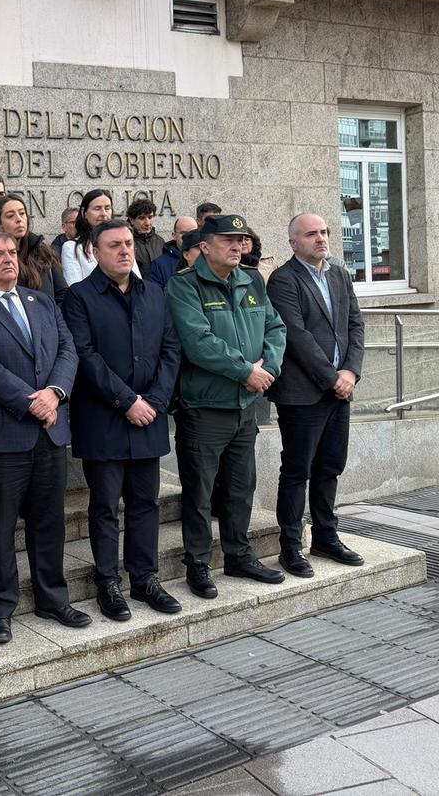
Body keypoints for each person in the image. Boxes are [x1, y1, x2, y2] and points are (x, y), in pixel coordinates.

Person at [0, 230, 88, 645]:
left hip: (49, 432)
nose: (9, 258)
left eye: (12, 251)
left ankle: (52, 598)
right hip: (4, 436)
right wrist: (32, 402)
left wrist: (56, 394)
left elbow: (68, 350)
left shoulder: (42, 300)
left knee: (49, 523)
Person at [62, 220, 183, 621]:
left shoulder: (154, 293)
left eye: (129, 243)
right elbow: (85, 356)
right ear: (95, 252)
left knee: (146, 502)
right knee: (104, 506)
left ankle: (144, 578)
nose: (125, 251)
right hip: (104, 419)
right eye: (114, 245)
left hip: (148, 415)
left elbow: (170, 348)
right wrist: (127, 400)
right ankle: (107, 582)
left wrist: (156, 400)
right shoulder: (79, 298)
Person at [166, 214, 287, 599]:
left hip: (245, 405)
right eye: (228, 240)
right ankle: (198, 563)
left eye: (241, 239)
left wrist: (268, 368)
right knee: (200, 492)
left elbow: (275, 328)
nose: (237, 246)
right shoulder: (185, 285)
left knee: (240, 486)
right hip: (205, 406)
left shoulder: (251, 280)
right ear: (205, 246)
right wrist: (244, 372)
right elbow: (198, 342)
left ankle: (238, 554)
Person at [267, 213, 366, 576]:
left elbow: (355, 324)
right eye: (311, 234)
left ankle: (326, 535)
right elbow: (296, 337)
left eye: (324, 232)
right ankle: (291, 546)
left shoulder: (339, 273)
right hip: (303, 394)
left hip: (341, 390)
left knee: (330, 467)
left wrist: (351, 372)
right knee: (297, 471)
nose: (321, 238)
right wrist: (332, 378)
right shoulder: (283, 280)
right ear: (294, 243)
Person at [0, 194, 68, 305]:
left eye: (22, 213)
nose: (19, 219)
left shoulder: (42, 250)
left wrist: (55, 319)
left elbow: (62, 293)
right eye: (10, 216)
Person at [61, 189, 113, 286]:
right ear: (84, 213)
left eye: (107, 208)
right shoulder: (72, 248)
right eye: (97, 208)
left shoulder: (122, 244)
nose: (104, 214)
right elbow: (75, 289)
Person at [148, 216, 198, 288]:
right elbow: (155, 294)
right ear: (174, 235)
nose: (188, 237)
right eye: (183, 233)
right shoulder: (159, 265)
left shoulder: (209, 259)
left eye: (193, 233)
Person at [126, 198, 165, 278]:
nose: (147, 223)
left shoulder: (160, 241)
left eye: (150, 217)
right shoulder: (127, 242)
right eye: (142, 218)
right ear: (132, 220)